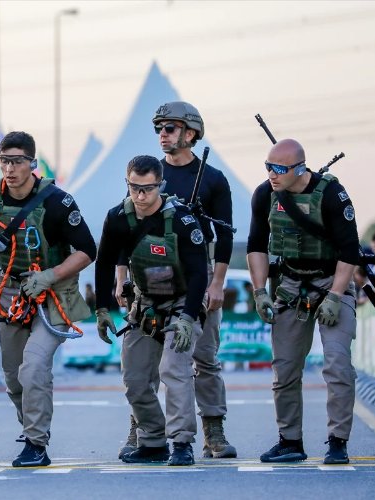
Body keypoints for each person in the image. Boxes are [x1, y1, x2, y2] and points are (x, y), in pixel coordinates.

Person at [0, 131, 96, 467]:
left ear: (32, 163)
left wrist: (50, 275)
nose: (10, 168)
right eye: (4, 161)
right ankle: (30, 428)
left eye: (17, 161)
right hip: (10, 296)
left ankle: (35, 443)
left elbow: (88, 250)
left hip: (52, 296)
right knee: (14, 378)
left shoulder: (58, 201)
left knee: (34, 369)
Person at [247, 138, 359, 464]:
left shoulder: (334, 196)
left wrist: (336, 296)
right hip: (291, 284)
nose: (272, 174)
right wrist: (259, 291)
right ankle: (289, 441)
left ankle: (338, 441)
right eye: (268, 166)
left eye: (279, 168)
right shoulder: (265, 194)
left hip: (331, 281)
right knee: (284, 369)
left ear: (300, 168)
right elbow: (256, 244)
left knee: (337, 365)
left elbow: (350, 250)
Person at [96, 155, 208, 466]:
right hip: (144, 304)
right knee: (134, 378)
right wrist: (101, 308)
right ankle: (153, 440)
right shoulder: (117, 217)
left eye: (148, 189)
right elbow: (104, 262)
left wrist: (188, 319)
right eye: (134, 188)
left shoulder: (182, 220)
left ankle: (182, 441)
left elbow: (200, 272)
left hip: (182, 303)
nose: (141, 196)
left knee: (173, 369)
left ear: (160, 185)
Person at [141, 100, 236, 459]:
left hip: (201, 268)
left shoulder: (212, 179)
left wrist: (217, 283)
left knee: (205, 356)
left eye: (170, 128)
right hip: (155, 269)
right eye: (159, 129)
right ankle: (143, 429)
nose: (162, 135)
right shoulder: (149, 173)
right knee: (150, 356)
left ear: (191, 133)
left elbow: (224, 236)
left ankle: (214, 429)